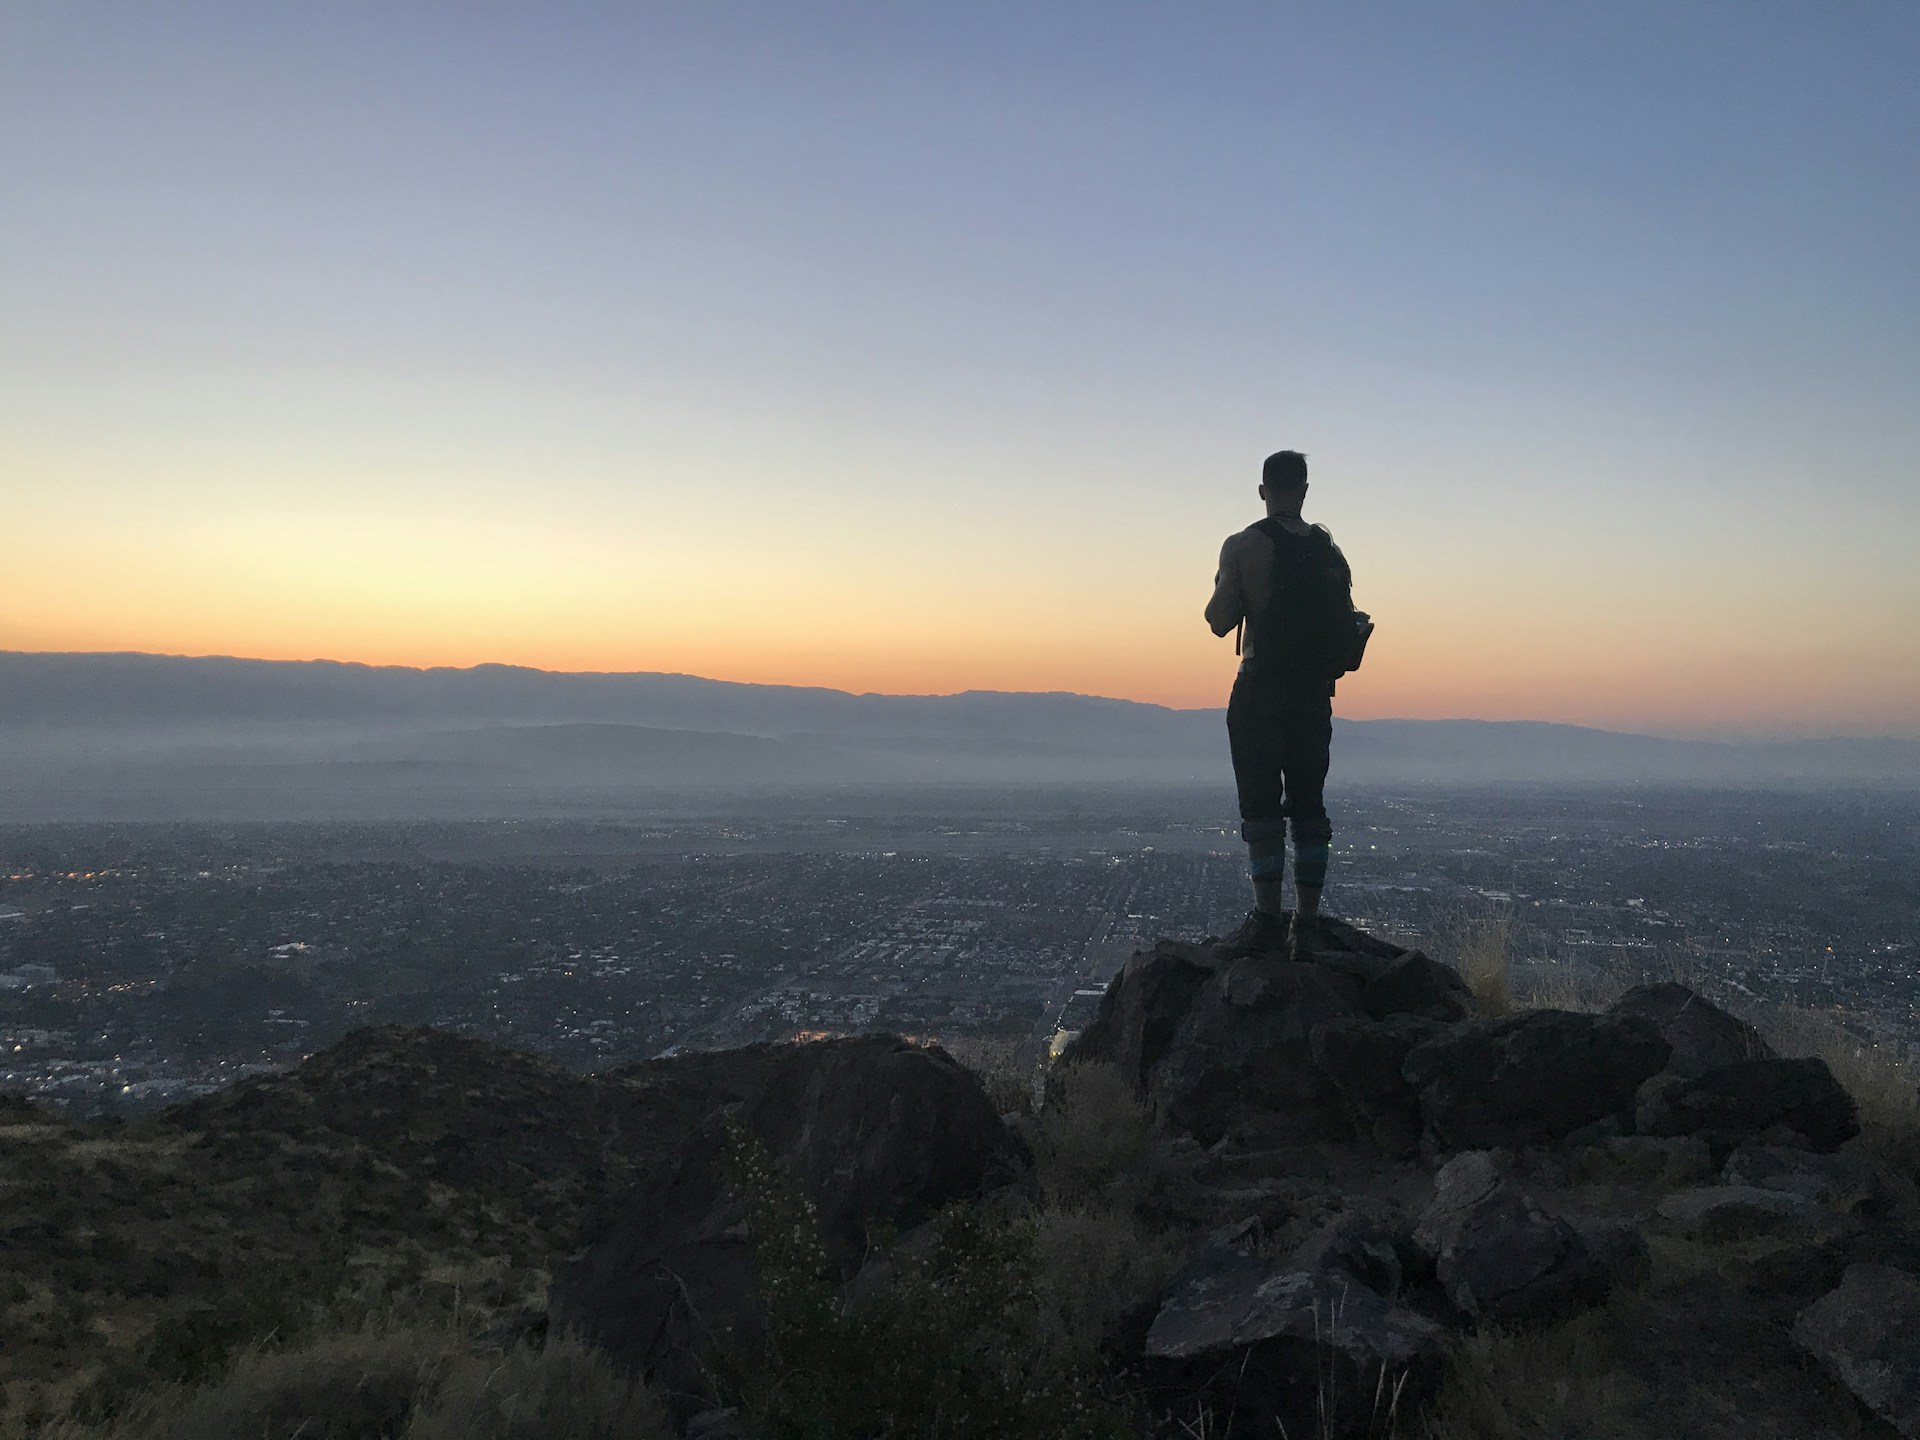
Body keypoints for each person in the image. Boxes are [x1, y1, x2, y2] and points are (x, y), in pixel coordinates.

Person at [1204, 449, 1352, 960]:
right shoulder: (1330, 552)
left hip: (1261, 688)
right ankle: (1306, 928)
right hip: (1314, 696)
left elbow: (1219, 620)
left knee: (1261, 806)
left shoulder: (1244, 545)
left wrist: (1227, 586)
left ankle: (1268, 923)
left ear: (1263, 490)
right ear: (1305, 490)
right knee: (1309, 806)